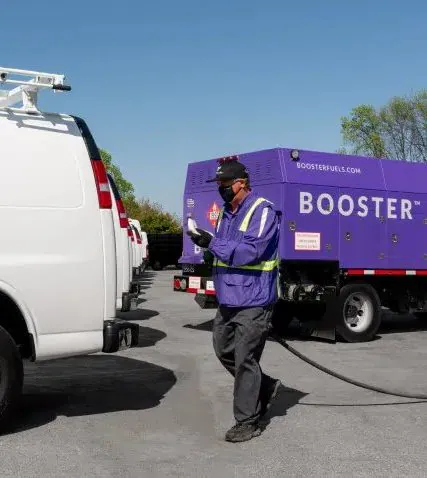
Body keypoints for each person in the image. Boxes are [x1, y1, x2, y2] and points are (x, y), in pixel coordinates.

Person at [187, 158, 282, 443]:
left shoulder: (262, 211)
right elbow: (223, 250)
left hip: (254, 300)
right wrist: (205, 247)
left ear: (241, 183)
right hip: (229, 299)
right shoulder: (226, 213)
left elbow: (251, 252)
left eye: (225, 184)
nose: (221, 189)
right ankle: (263, 387)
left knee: (244, 359)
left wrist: (212, 242)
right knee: (222, 349)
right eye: (218, 185)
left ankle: (248, 421)